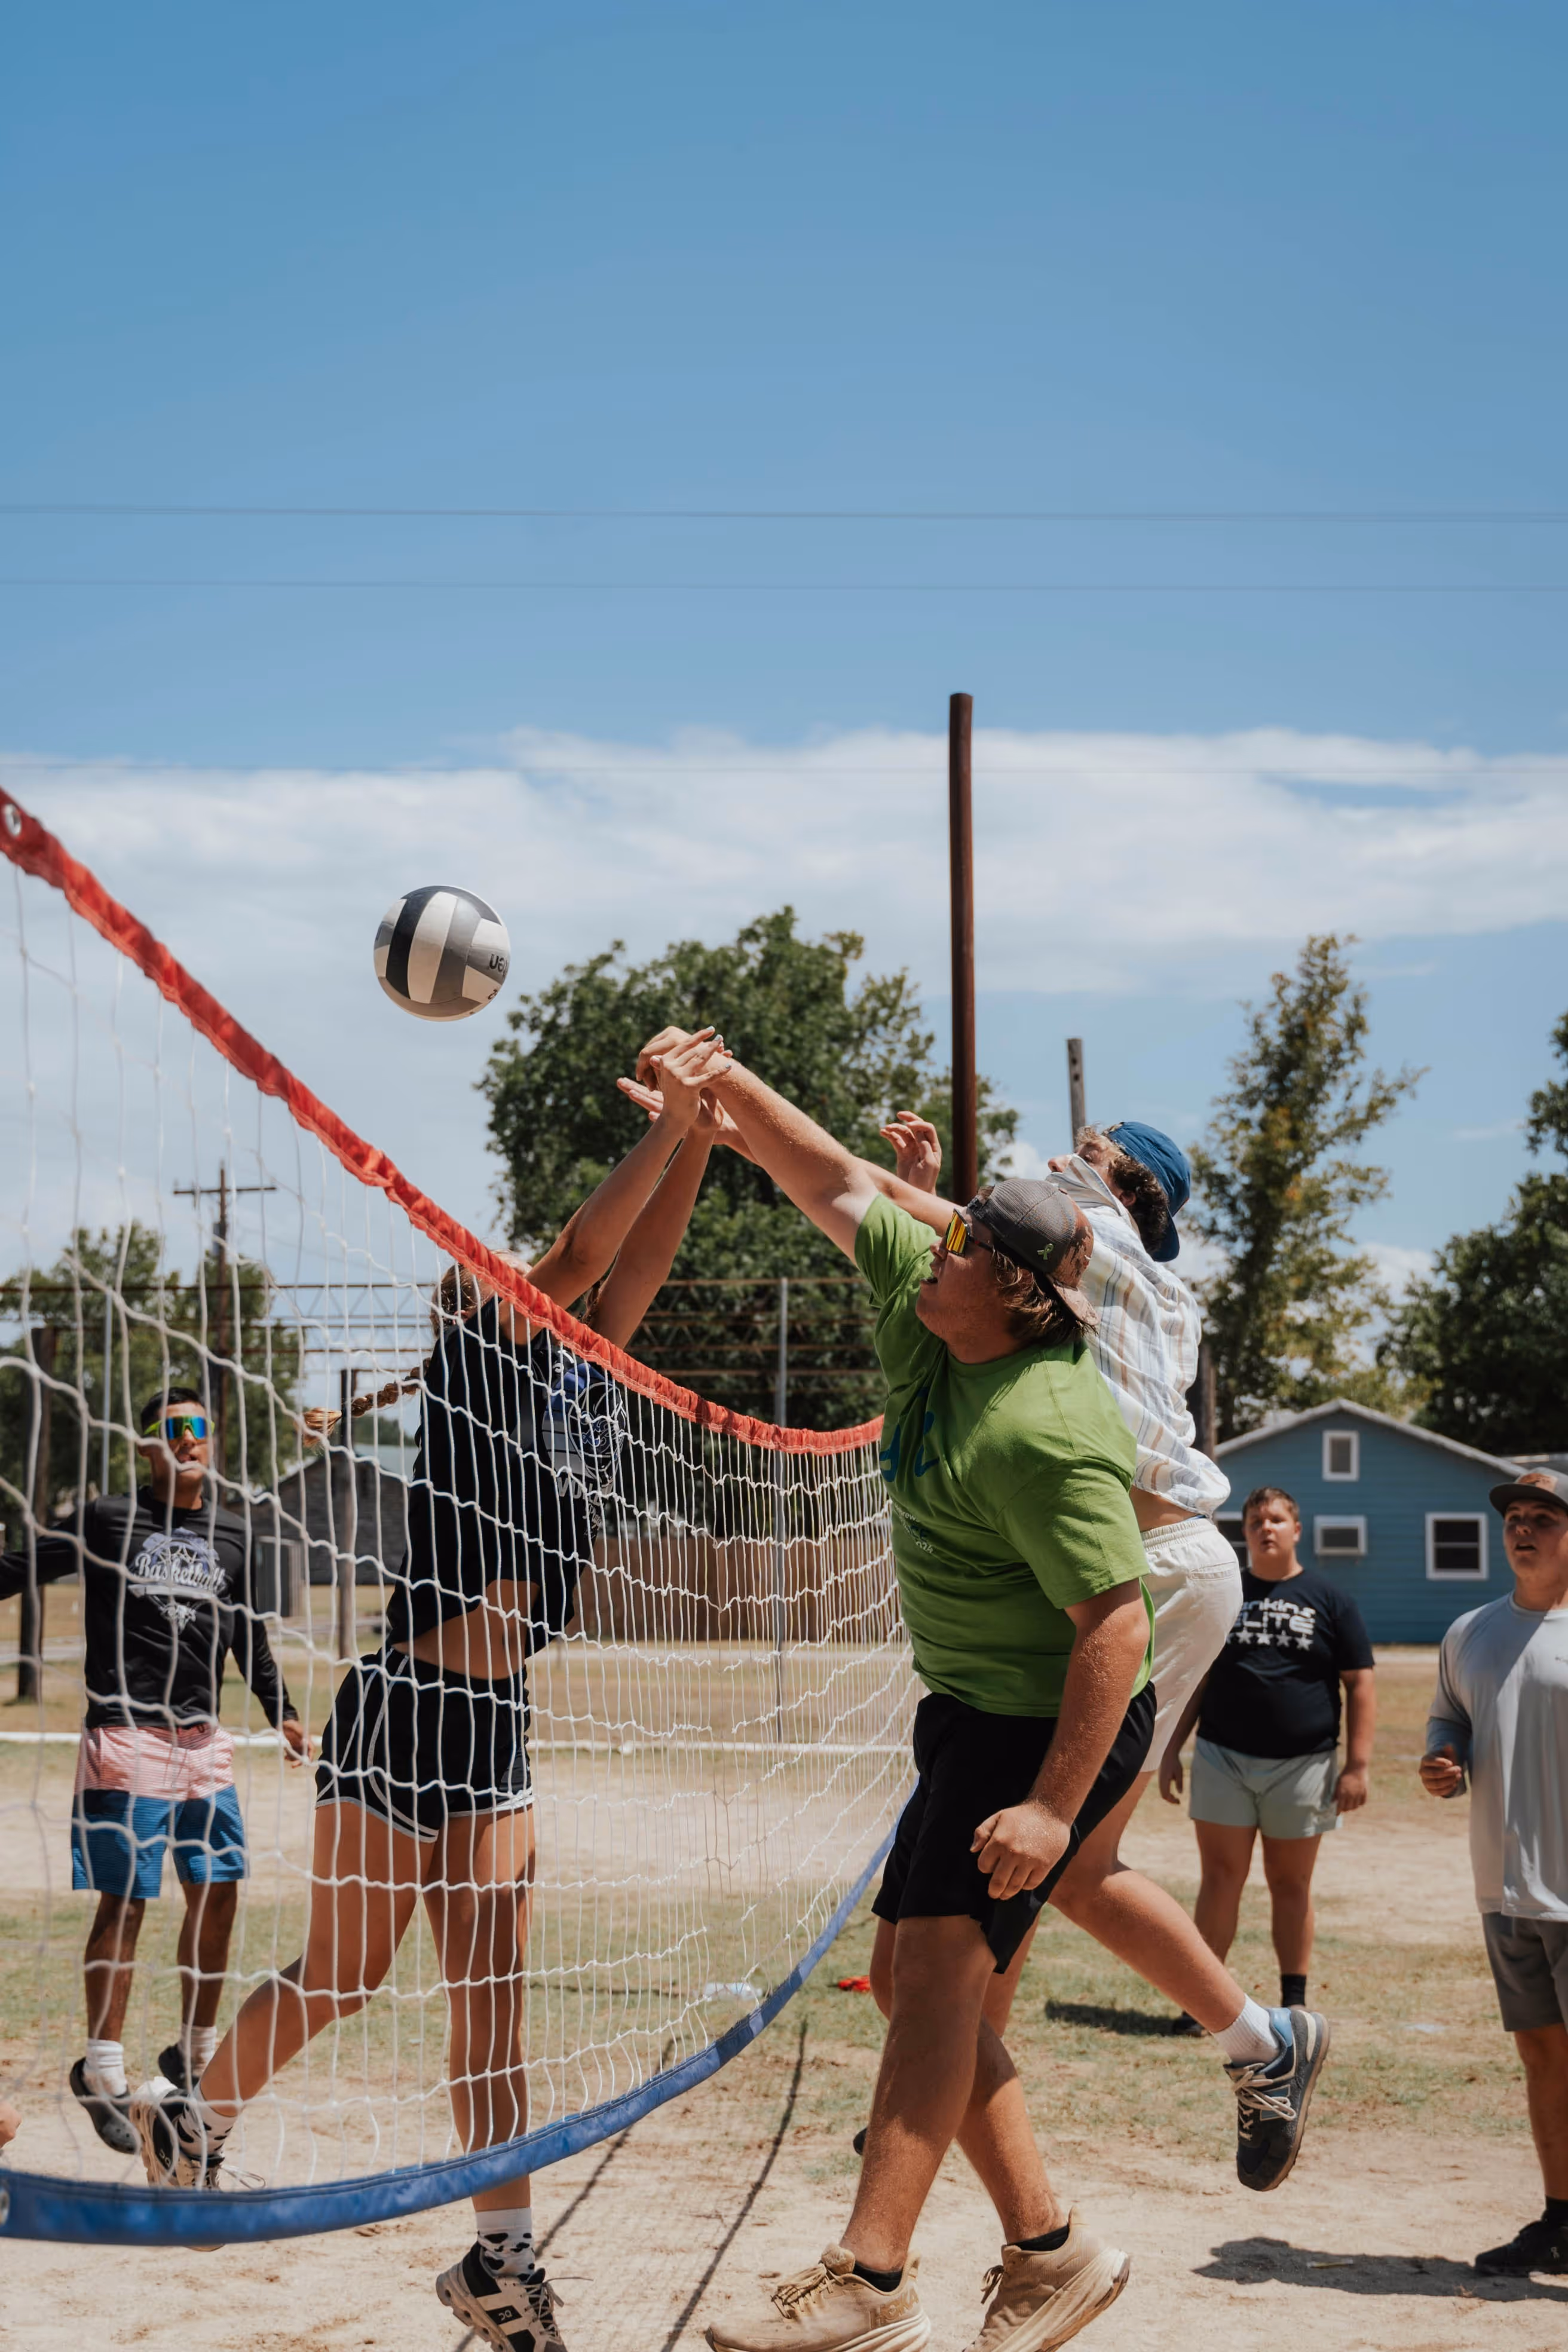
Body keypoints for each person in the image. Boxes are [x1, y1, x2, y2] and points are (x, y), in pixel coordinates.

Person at [134, 1032, 731, 2352]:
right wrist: (664, 1129)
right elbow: (580, 1260)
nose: (506, 1276)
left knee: (491, 2004)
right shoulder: (474, 1362)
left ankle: (499, 2264)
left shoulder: (585, 1375)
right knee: (348, 1977)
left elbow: (631, 1271)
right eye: (493, 1274)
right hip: (403, 1704)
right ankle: (197, 2117)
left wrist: (702, 1131)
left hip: (499, 1723)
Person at [632, 1036, 1192, 2352]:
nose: (925, 1243)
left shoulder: (1046, 1426)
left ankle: (869, 2279)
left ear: (1006, 1286)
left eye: (958, 1242)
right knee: (907, 1982)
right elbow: (825, 1176)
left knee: (934, 1981)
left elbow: (1115, 1627)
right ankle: (1048, 2252)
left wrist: (1053, 1813)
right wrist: (714, 1083)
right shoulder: (936, 1307)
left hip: (1049, 1721)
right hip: (971, 1710)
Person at [871, 1115, 1319, 2180]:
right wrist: (910, 1191)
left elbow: (969, 1245)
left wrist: (897, 1194)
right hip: (1167, 1564)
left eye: (1083, 1145)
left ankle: (954, 2071)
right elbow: (961, 1254)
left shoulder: (1093, 1242)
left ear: (1116, 1183)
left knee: (1045, 1852)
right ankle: (1251, 2044)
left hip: (1155, 1568)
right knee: (1059, 1865)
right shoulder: (1122, 1268)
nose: (1056, 1154)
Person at [0, 1386, 307, 2158]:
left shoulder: (235, 1536)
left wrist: (286, 1713)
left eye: (202, 1427)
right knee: (126, 1903)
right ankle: (102, 2069)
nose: (191, 1439)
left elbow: (252, 1642)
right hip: (127, 1736)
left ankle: (195, 2056)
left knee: (220, 1897)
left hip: (203, 1745)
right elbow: (25, 1562)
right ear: (147, 1445)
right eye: (174, 1429)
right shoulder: (111, 1520)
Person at [1421, 1466, 1568, 2279]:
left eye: (1543, 1517)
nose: (1523, 1529)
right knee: (1543, 2058)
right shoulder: (1469, 1631)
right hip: (1505, 1888)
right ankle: (1561, 2219)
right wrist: (1441, 1757)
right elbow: (1451, 1717)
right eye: (1515, 1516)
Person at [1161, 1484, 1375, 2017]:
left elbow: (1361, 1683)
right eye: (1256, 1520)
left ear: (1296, 1530)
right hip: (1223, 1758)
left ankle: (1294, 2003)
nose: (1266, 1528)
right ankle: (1201, 2006)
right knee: (1220, 1879)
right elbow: (1201, 1678)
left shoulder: (1331, 1600)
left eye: (1277, 1519)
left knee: (1290, 1882)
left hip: (1304, 1765)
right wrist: (1171, 1749)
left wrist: (1358, 1766)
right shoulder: (1226, 1594)